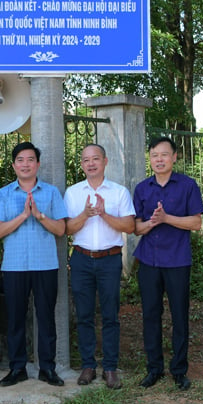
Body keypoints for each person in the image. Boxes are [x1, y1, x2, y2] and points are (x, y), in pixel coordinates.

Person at [0, 142, 67, 387]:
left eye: (30, 159)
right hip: (14, 266)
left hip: (45, 265)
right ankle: (17, 368)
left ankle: (47, 368)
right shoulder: (3, 193)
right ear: (14, 165)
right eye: (21, 160)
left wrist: (39, 215)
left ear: (38, 164)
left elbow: (61, 230)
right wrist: (23, 216)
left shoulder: (51, 192)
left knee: (46, 317)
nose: (25, 164)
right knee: (15, 319)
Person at [133, 136, 203, 390]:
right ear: (150, 158)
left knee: (179, 315)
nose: (159, 159)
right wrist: (153, 221)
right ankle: (154, 369)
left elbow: (196, 223)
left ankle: (179, 370)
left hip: (177, 259)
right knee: (151, 315)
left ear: (174, 157)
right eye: (154, 155)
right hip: (149, 260)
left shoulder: (187, 185)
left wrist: (167, 218)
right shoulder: (142, 188)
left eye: (164, 154)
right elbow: (137, 229)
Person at [64, 144, 135, 389]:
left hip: (109, 259)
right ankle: (87, 365)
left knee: (110, 315)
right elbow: (66, 229)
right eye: (86, 160)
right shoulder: (73, 193)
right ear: (82, 164)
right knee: (83, 314)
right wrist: (85, 214)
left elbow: (129, 226)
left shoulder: (119, 192)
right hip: (82, 258)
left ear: (105, 161)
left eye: (96, 159)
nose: (91, 163)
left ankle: (111, 367)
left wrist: (104, 214)